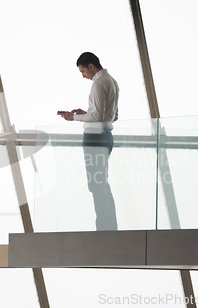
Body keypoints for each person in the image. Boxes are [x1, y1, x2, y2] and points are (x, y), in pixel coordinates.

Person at [58, 52, 119, 231]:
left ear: (91, 66)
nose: (83, 76)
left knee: (95, 185)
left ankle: (103, 229)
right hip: (106, 136)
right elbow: (112, 116)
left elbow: (97, 116)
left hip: (95, 137)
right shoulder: (112, 81)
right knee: (102, 184)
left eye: (83, 71)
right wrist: (85, 113)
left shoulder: (98, 83)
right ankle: (109, 227)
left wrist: (74, 117)